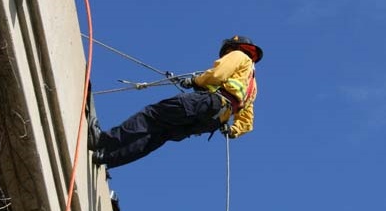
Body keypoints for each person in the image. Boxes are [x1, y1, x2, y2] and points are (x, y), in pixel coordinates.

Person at [88, 35, 263, 169]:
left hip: (208, 103)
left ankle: (101, 141)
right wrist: (232, 130)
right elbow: (247, 121)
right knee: (159, 135)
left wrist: (195, 81)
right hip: (212, 121)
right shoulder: (252, 85)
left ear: (231, 48)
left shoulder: (239, 55)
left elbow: (217, 75)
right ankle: (106, 158)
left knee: (151, 116)